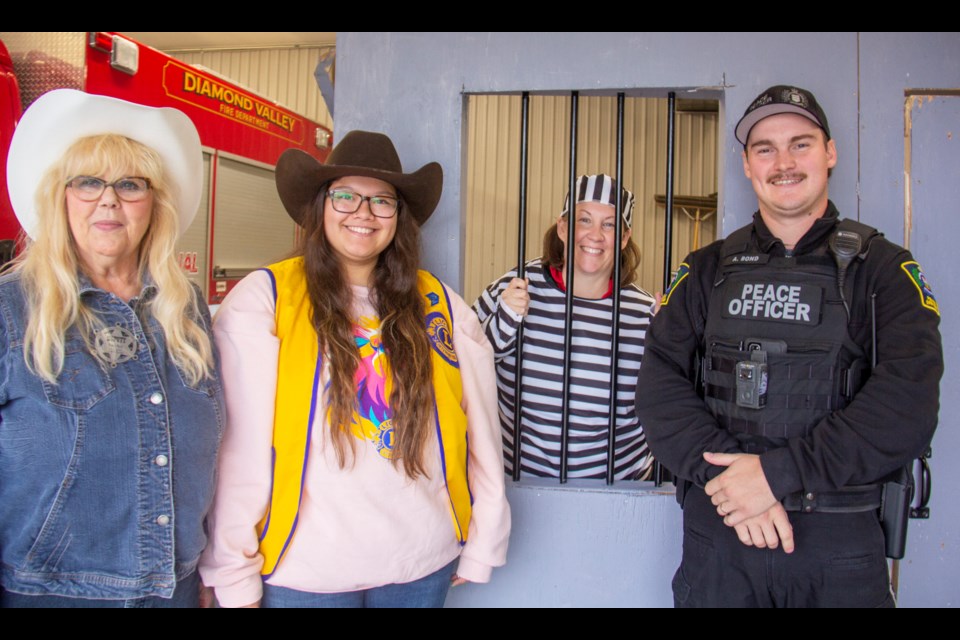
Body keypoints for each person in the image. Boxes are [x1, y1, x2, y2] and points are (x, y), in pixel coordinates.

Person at [636, 85, 943, 607]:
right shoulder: (704, 270)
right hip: (723, 540)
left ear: (830, 152)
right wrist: (733, 484)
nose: (784, 162)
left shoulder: (885, 271)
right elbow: (659, 390)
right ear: (748, 165)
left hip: (837, 547)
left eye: (800, 144)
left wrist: (776, 475)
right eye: (765, 149)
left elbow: (906, 406)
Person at [199, 130, 510, 608]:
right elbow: (238, 447)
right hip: (303, 572)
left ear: (398, 218)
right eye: (345, 196)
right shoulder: (267, 299)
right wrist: (232, 568)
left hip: (421, 563)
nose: (363, 213)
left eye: (382, 202)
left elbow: (481, 428)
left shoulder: (440, 304)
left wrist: (484, 538)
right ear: (320, 207)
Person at [0, 89, 222, 607]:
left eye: (129, 184)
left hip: (177, 589)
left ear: (154, 204)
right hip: (51, 595)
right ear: (61, 197)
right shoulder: (13, 309)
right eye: (87, 182)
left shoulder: (184, 307)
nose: (108, 199)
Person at [475, 174, 656, 480]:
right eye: (584, 220)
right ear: (562, 227)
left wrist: (675, 335)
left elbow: (666, 399)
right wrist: (504, 320)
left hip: (618, 495)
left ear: (624, 238)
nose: (595, 235)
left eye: (609, 224)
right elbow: (460, 364)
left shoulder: (644, 313)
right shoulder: (514, 287)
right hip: (517, 489)